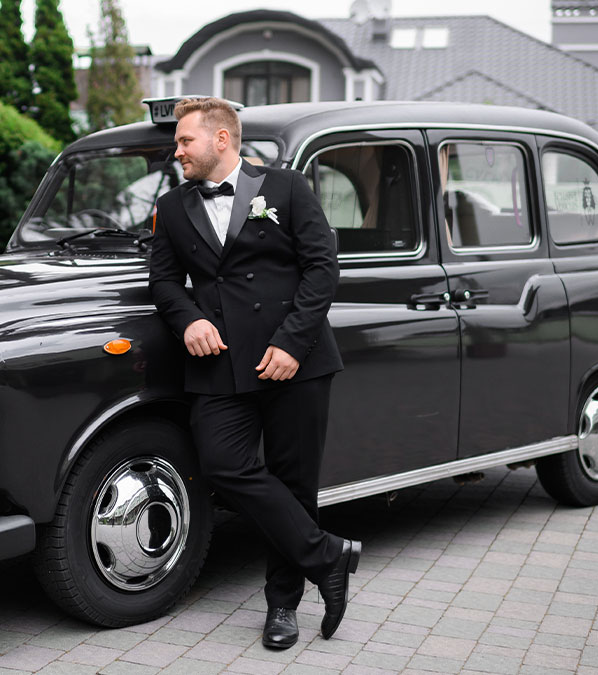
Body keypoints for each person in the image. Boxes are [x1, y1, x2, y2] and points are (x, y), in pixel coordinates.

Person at [148, 97, 360, 649]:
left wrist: (291, 343)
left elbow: (322, 268)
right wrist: (188, 319)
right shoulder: (172, 207)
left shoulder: (286, 188)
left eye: (185, 141)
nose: (177, 151)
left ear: (221, 139)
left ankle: (282, 607)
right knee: (221, 464)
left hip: (294, 362)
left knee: (294, 483)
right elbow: (163, 281)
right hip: (219, 363)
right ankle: (327, 556)